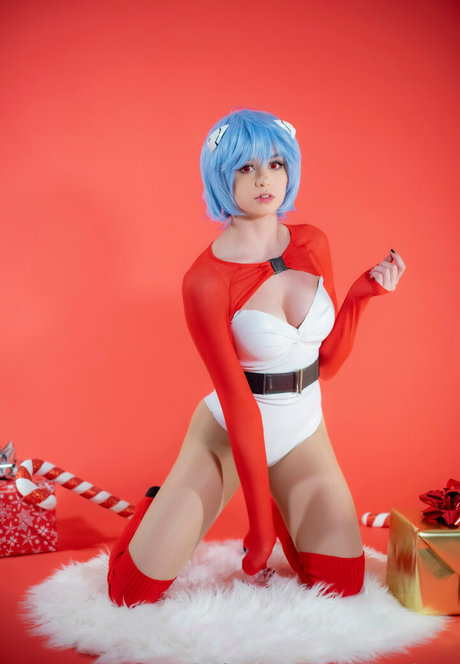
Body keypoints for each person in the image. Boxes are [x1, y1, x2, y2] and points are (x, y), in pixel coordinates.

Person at [107, 107, 406, 607]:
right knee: (130, 594)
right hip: (229, 434)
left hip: (303, 429)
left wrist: (360, 296)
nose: (264, 179)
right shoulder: (205, 281)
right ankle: (157, 510)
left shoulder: (313, 242)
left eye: (275, 163)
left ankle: (287, 506)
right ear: (221, 177)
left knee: (343, 586)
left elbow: (327, 365)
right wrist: (258, 529)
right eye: (245, 167)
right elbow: (239, 403)